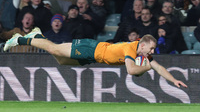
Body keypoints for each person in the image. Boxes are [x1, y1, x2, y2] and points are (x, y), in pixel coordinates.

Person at [3, 31, 188, 88]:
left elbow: (157, 66)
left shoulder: (142, 53)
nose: (153, 51)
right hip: (90, 49)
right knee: (54, 48)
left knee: (61, 60)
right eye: (152, 48)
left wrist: (174, 80)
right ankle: (19, 39)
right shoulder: (131, 48)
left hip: (94, 57)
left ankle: (38, 36)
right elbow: (132, 71)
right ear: (143, 44)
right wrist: (146, 68)